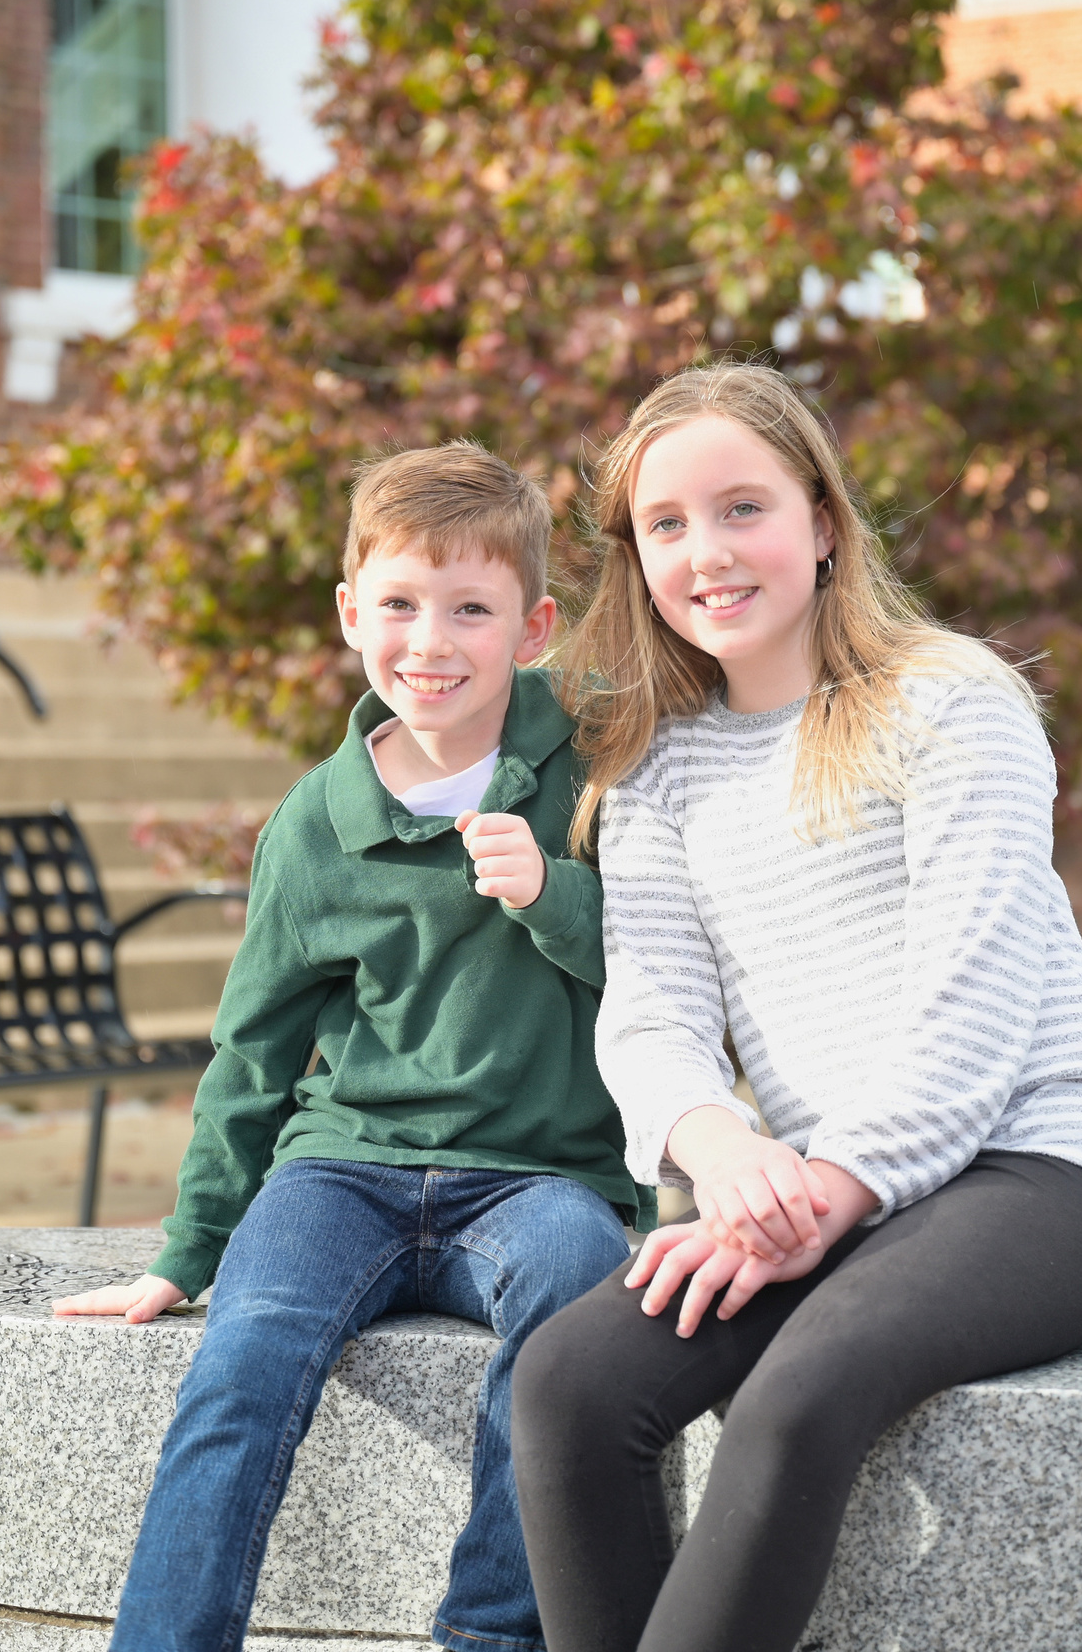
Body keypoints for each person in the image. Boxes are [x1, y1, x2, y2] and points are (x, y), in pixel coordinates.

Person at [509, 364, 1082, 1652]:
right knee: (572, 1379)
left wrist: (822, 1196)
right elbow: (647, 1016)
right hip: (825, 1189)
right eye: (666, 524)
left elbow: (972, 1005)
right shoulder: (653, 770)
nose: (706, 552)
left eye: (742, 507)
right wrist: (722, 1151)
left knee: (797, 1394)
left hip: (1045, 1165)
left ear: (820, 520)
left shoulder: (951, 701)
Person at [55, 442, 653, 1652]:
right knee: (241, 1371)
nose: (429, 641)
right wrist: (188, 1248)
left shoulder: (596, 773)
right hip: (344, 1170)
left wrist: (556, 895)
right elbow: (251, 1055)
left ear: (532, 626)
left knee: (573, 1316)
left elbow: (674, 965)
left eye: (469, 609)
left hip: (542, 1179)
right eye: (397, 605)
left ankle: (491, 1635)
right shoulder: (314, 826)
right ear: (350, 615)